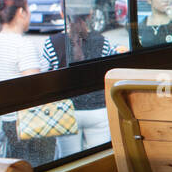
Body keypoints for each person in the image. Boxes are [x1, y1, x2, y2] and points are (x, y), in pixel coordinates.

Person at [0, 0, 55, 165]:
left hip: (9, 119)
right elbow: (33, 86)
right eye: (28, 10)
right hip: (30, 121)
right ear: (21, 12)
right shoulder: (22, 44)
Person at [42, 10, 117, 153]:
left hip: (65, 111)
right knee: (97, 159)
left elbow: (45, 75)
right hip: (98, 109)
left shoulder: (52, 43)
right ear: (90, 14)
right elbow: (109, 71)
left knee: (68, 162)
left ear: (62, 14)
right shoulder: (102, 40)